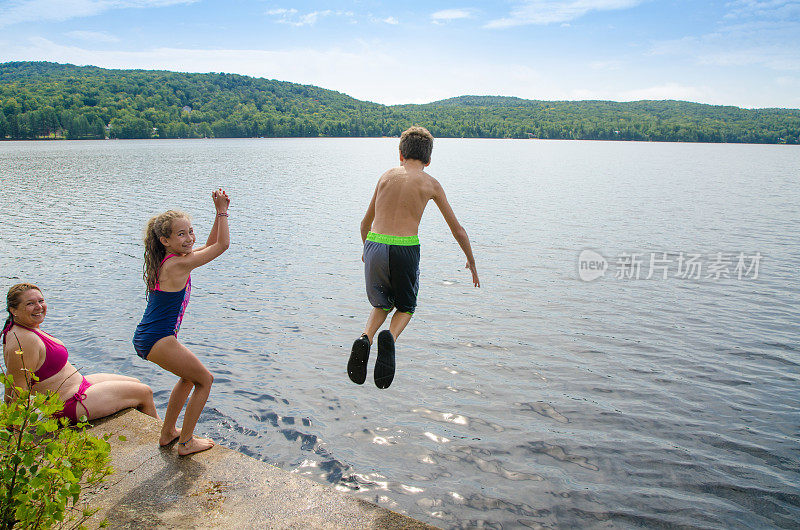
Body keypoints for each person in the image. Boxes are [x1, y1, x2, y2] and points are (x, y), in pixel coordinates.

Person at [348, 126, 480, 389]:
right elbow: (458, 230)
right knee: (405, 307)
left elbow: (364, 224)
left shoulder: (385, 176)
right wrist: (472, 262)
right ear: (428, 160)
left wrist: (367, 250)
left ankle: (366, 337)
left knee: (382, 303)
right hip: (404, 248)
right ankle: (390, 337)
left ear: (400, 154)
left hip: (374, 243)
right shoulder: (430, 183)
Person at [133, 189, 229, 456]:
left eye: (190, 232)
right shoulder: (176, 266)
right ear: (165, 240)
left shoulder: (175, 260)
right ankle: (186, 443)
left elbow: (210, 246)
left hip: (152, 336)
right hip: (158, 338)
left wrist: (215, 215)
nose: (189, 238)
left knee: (188, 378)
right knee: (204, 380)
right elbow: (221, 247)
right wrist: (222, 212)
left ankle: (168, 433)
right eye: (181, 234)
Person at [2, 283, 158, 423]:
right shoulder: (23, 340)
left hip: (79, 386)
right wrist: (14, 434)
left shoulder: (27, 328)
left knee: (136, 383)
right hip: (69, 404)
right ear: (13, 310)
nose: (39, 307)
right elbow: (18, 390)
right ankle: (165, 435)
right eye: (30, 303)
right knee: (144, 393)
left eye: (41, 301)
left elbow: (12, 380)